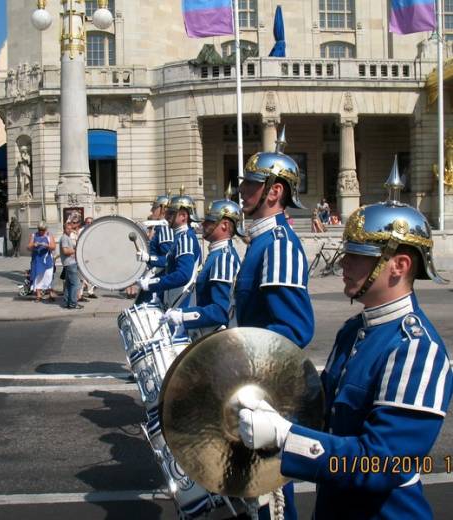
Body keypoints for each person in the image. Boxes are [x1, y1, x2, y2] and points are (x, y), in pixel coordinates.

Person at [237, 164, 453, 519]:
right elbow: (322, 419)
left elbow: (384, 465)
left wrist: (285, 438)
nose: (344, 266)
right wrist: (269, 413)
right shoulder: (352, 331)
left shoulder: (416, 348)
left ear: (398, 265)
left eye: (358, 257)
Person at [236, 128, 315, 520]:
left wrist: (241, 355)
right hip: (255, 379)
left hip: (268, 386)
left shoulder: (280, 243)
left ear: (274, 192)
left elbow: (294, 328)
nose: (243, 191)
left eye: (252, 185)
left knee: (273, 497)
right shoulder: (262, 240)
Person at [161, 195, 243, 338]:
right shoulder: (216, 253)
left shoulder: (224, 257)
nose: (203, 224)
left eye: (210, 221)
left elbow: (221, 311)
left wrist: (184, 316)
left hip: (216, 339)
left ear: (224, 225)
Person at [136, 187, 202, 310]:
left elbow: (183, 275)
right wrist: (149, 258)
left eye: (171, 213)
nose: (167, 216)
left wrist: (152, 283)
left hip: (180, 302)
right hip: (172, 299)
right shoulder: (180, 236)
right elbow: (167, 261)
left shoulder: (185, 238)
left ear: (183, 216)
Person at [133, 192, 175, 302]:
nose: (152, 210)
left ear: (163, 209)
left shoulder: (164, 228)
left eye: (155, 207)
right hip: (153, 277)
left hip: (158, 280)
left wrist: (148, 258)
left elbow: (168, 259)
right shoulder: (158, 227)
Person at [28, 221, 56, 302]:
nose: (41, 232)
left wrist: (46, 245)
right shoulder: (33, 235)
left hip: (47, 259)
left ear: (46, 229)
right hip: (37, 259)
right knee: (37, 277)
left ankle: (51, 294)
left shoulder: (49, 235)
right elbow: (28, 247)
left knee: (48, 276)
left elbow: (53, 247)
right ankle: (38, 295)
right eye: (39, 230)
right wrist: (33, 245)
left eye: (42, 230)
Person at [60, 221, 83, 310]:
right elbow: (65, 251)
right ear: (64, 229)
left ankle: (67, 302)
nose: (70, 230)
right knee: (75, 284)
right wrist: (76, 250)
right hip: (70, 263)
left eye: (71, 228)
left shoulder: (67, 237)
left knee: (68, 284)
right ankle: (73, 303)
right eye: (67, 229)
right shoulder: (65, 238)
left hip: (69, 263)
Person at [79, 217, 98, 299]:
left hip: (92, 255)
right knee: (82, 275)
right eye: (87, 222)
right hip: (83, 255)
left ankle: (91, 291)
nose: (89, 224)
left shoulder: (95, 231)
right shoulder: (81, 231)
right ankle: (80, 292)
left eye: (90, 222)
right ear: (85, 223)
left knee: (92, 275)